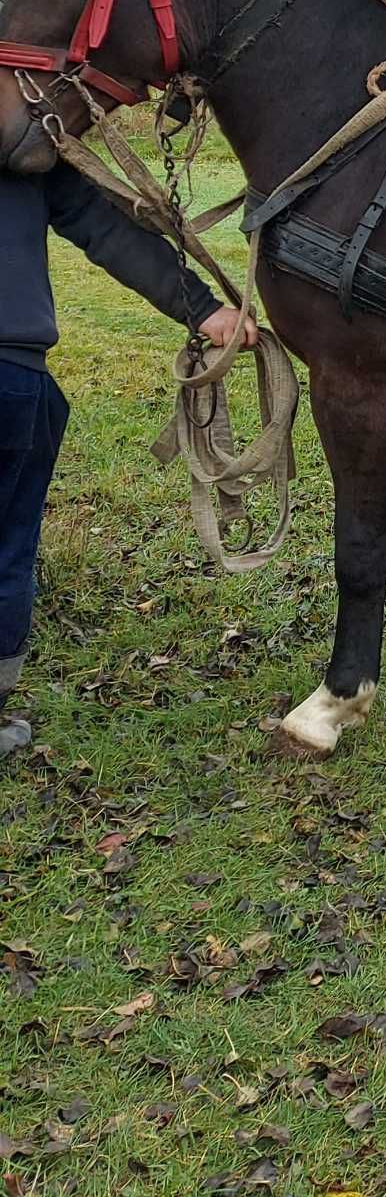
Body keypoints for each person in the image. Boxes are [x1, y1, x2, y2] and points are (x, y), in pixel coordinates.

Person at [0, 158, 251, 758]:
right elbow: (101, 224)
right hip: (11, 372)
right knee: (6, 551)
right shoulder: (25, 140)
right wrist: (204, 309)